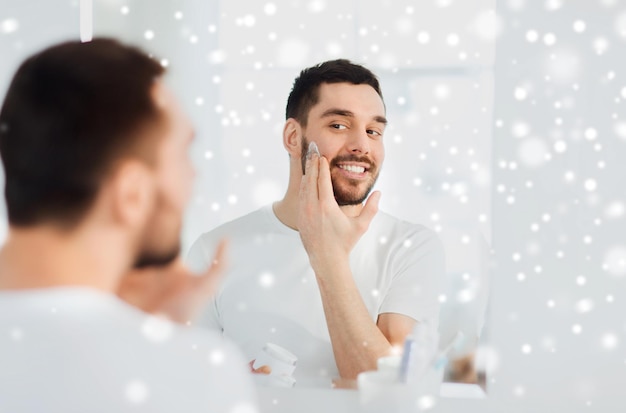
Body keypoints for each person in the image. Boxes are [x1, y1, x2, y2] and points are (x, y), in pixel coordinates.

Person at [0, 38, 257, 412]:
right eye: (184, 153)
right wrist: (167, 347)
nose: (193, 176)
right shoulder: (197, 374)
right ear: (131, 194)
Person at [187, 59, 445, 382]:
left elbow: (391, 391)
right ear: (294, 137)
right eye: (339, 125)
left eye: (374, 131)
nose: (362, 145)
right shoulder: (213, 252)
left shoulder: (410, 248)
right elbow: (183, 386)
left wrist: (327, 257)